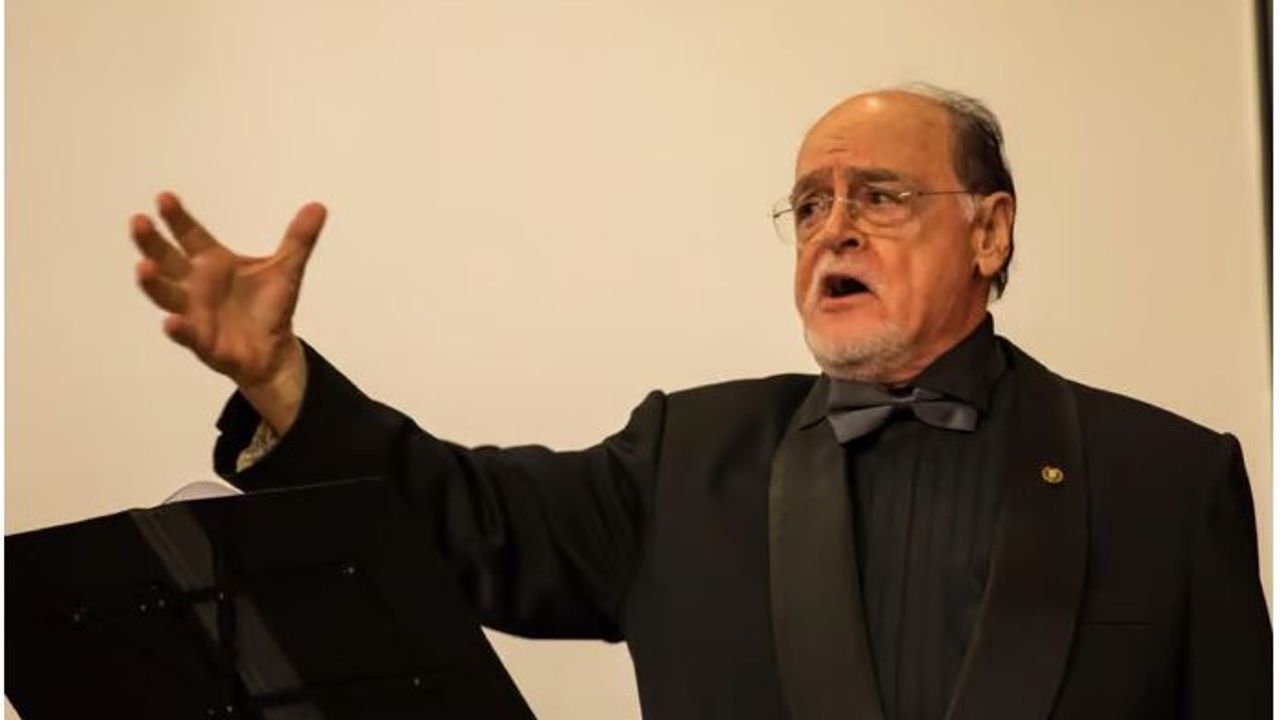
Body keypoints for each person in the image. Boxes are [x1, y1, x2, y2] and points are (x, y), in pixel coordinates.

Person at [130, 86, 1270, 719]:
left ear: (990, 231)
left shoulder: (1166, 479)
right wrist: (279, 379)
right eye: (809, 205)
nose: (833, 229)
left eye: (877, 196)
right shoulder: (685, 457)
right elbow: (459, 519)